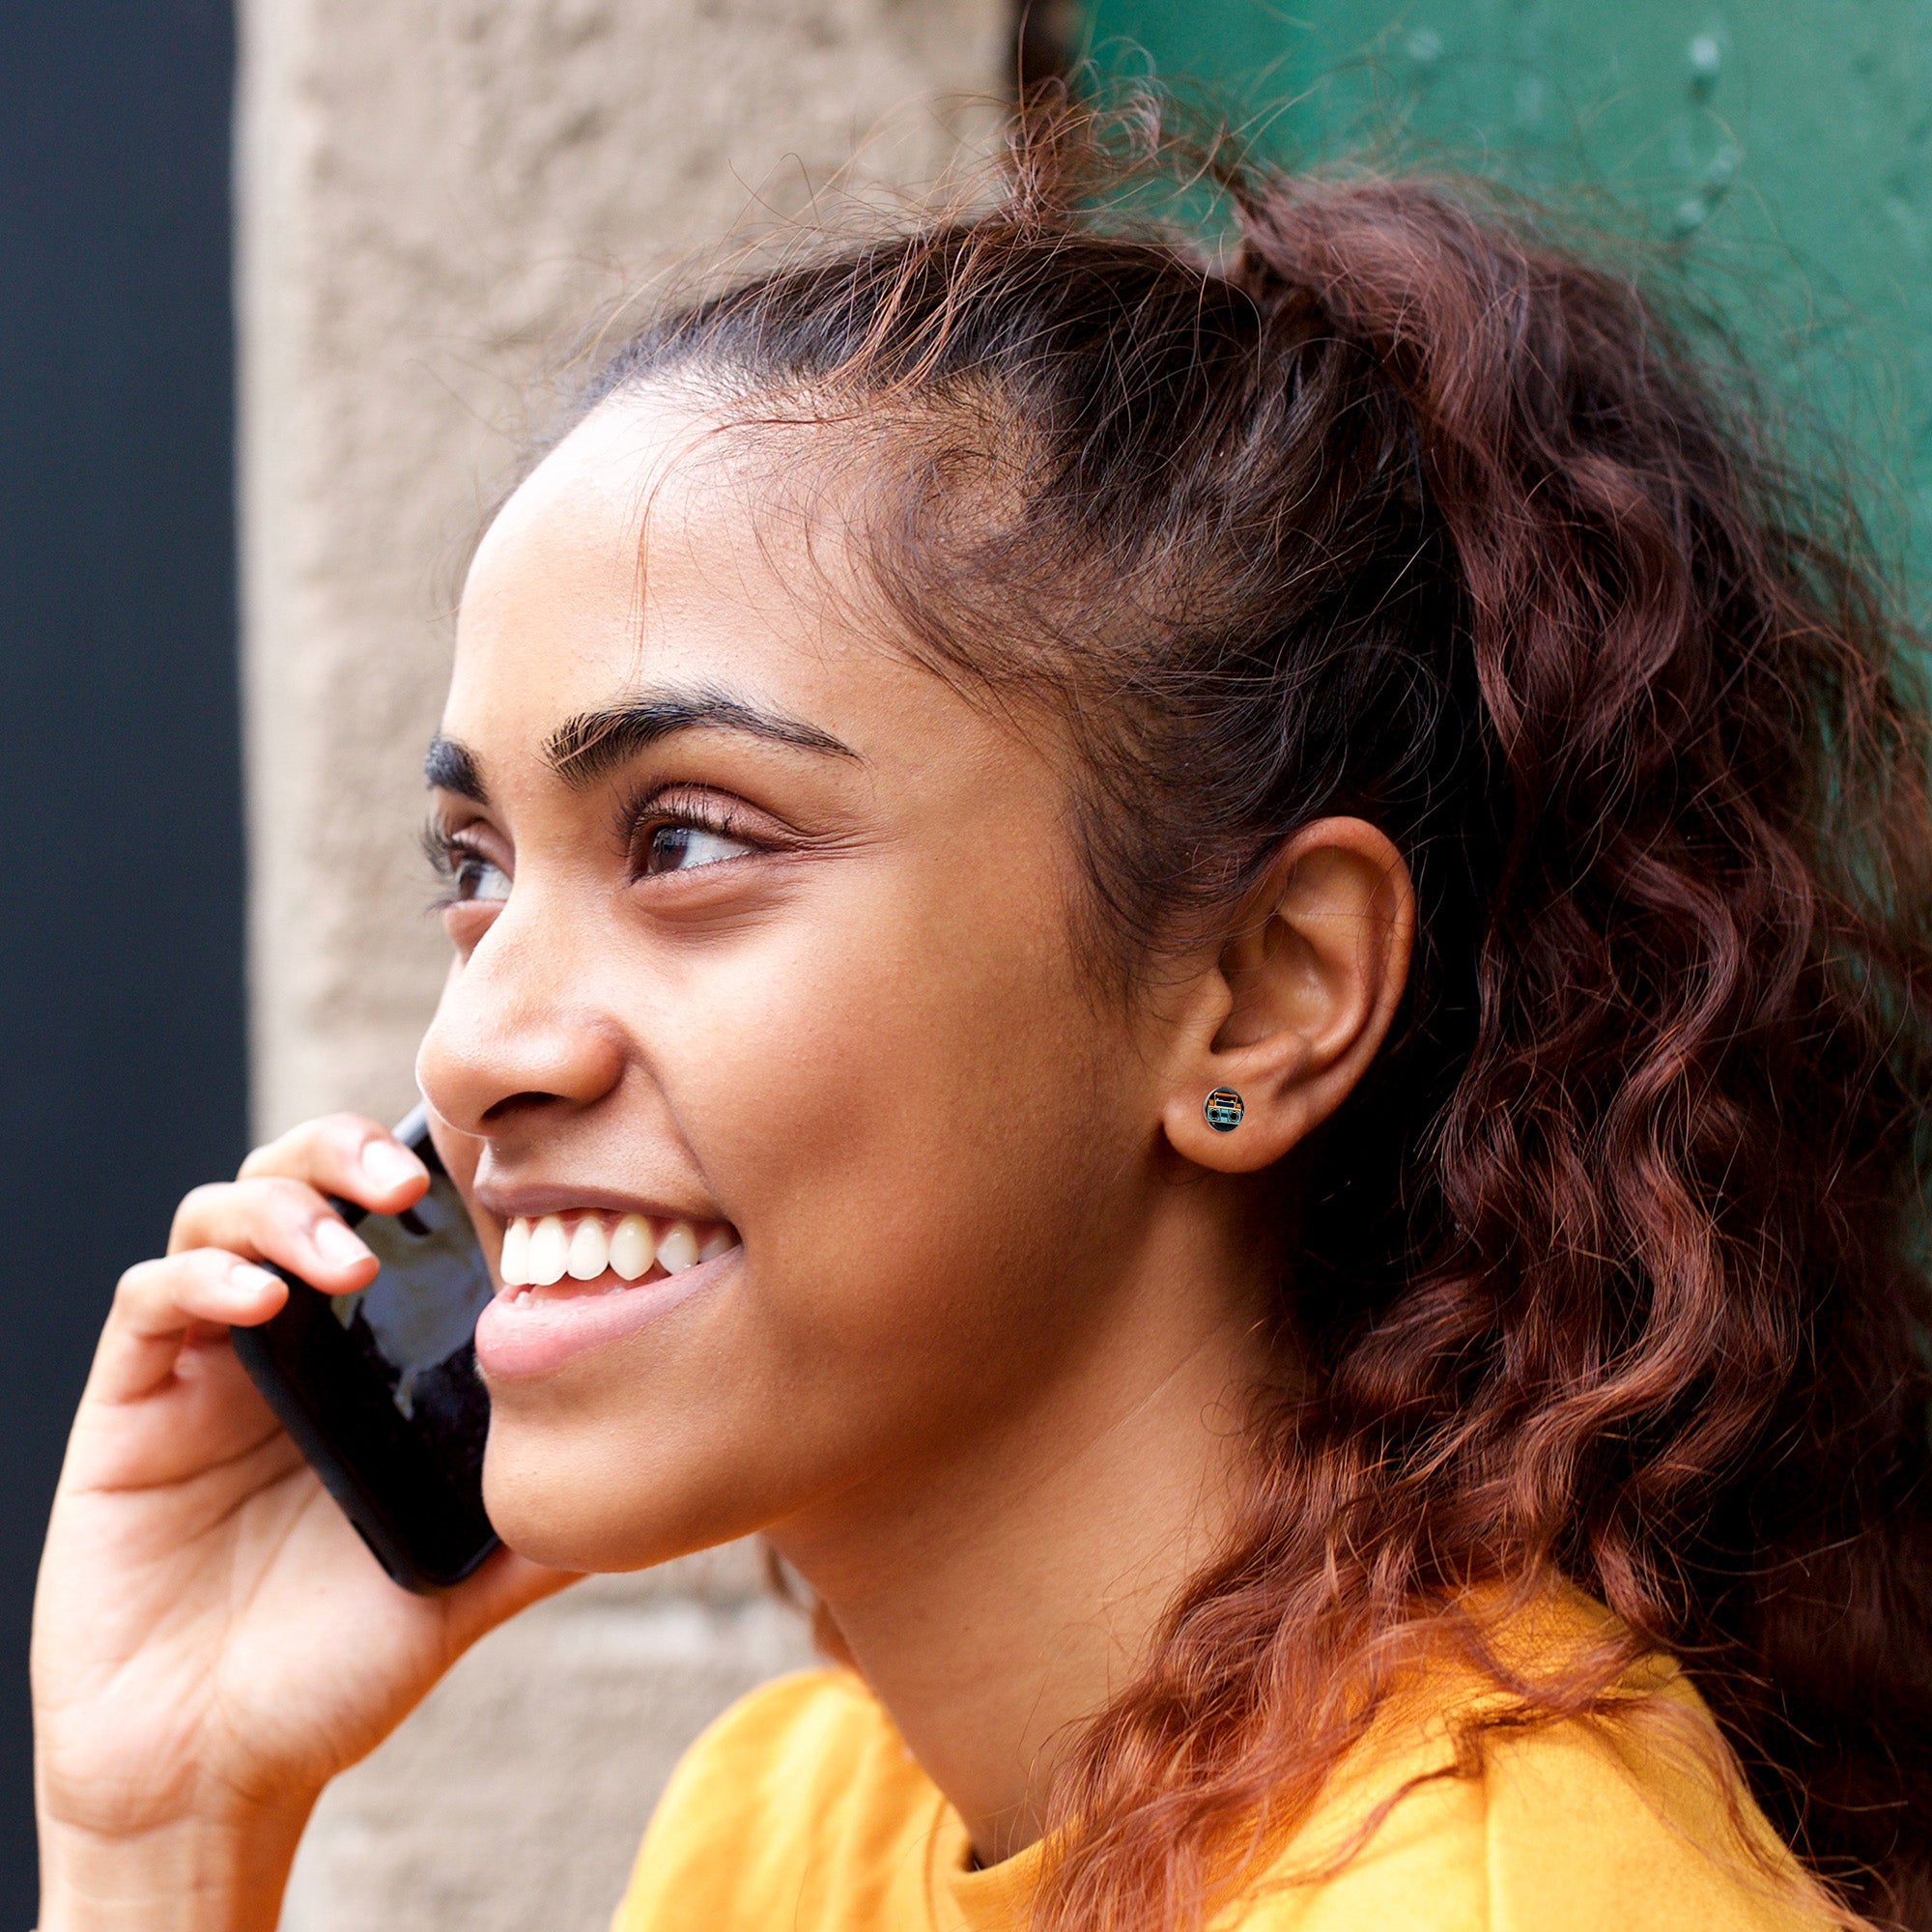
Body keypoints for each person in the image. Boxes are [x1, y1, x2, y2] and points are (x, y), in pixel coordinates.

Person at [31, 107, 1932, 1932]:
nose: (475, 1048)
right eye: (475, 865)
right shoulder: (783, 1835)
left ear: (1263, 995)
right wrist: (166, 1836)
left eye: (685, 836)